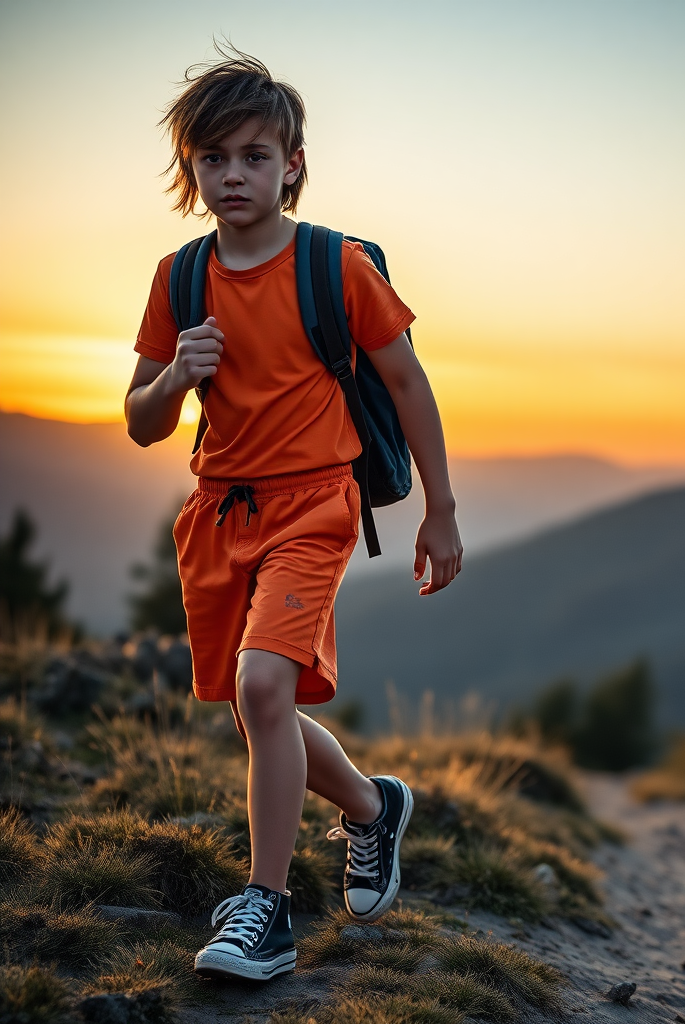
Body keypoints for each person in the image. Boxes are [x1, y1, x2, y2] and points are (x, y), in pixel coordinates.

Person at [124, 46, 463, 982]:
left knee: (263, 691)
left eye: (255, 156)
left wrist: (441, 510)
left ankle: (265, 910)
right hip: (218, 512)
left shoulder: (336, 266)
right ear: (190, 169)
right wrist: (173, 379)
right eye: (215, 158)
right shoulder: (179, 277)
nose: (234, 174)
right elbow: (141, 421)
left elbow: (407, 381)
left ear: (293, 164)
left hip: (318, 501)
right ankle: (371, 807)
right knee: (255, 708)